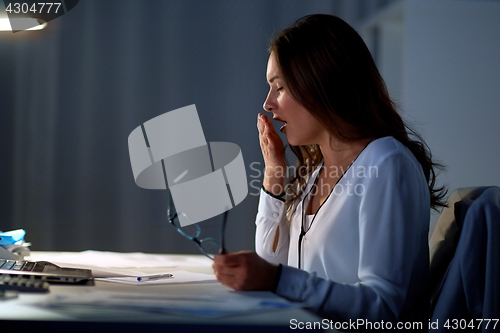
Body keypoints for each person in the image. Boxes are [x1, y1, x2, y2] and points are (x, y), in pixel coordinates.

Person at [212, 14, 446, 328]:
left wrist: (277, 279)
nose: (268, 103)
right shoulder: (315, 171)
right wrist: (274, 174)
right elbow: (272, 265)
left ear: (322, 83)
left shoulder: (387, 163)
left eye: (279, 87)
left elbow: (382, 309)